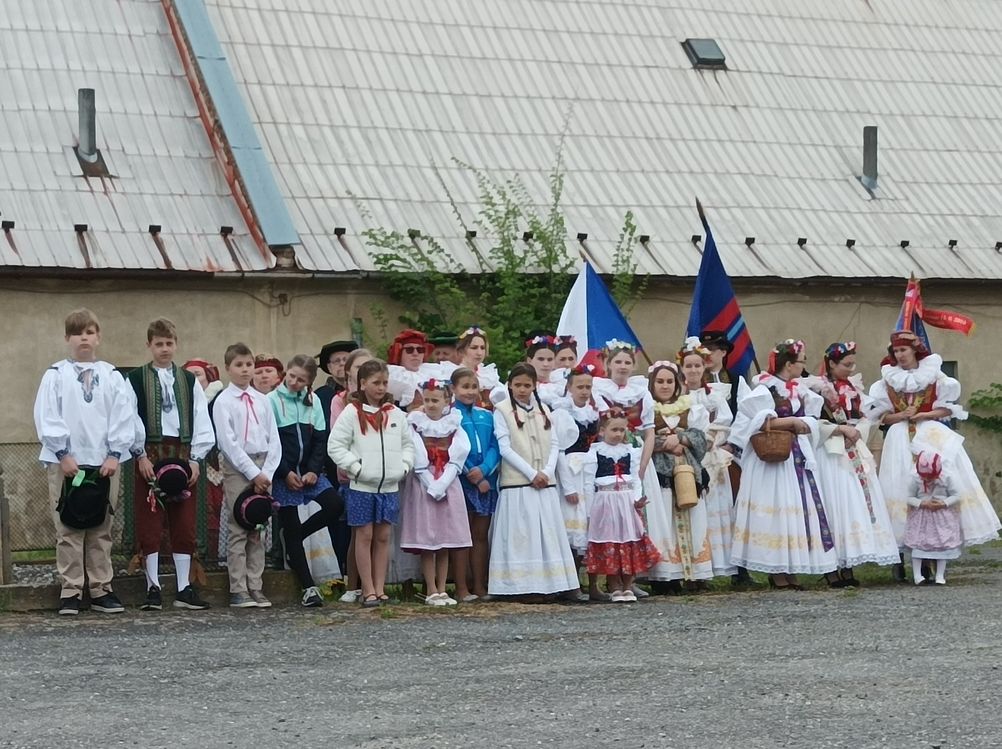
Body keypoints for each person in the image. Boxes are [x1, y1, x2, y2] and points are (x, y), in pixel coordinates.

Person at [865, 331, 1000, 575]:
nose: (900, 355)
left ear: (914, 350)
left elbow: (947, 410)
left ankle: (934, 551)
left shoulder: (935, 375)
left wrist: (924, 414)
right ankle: (900, 555)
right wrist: (901, 415)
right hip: (899, 438)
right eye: (896, 351)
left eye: (904, 350)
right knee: (899, 486)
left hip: (929, 435)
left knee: (936, 485)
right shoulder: (887, 380)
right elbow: (880, 417)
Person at [33, 308, 135, 615]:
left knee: (101, 528)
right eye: (77, 333)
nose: (84, 338)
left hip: (104, 463)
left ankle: (102, 588)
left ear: (98, 337)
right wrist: (62, 454)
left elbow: (123, 414)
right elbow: (46, 415)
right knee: (68, 528)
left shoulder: (112, 375)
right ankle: (71, 590)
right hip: (68, 463)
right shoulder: (55, 375)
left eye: (89, 332)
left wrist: (115, 454)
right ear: (68, 338)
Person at [728, 340, 837, 589]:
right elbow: (756, 422)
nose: (803, 366)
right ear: (789, 364)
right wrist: (790, 422)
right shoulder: (765, 388)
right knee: (777, 510)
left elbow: (810, 417)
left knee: (794, 510)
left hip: (796, 458)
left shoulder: (799, 390)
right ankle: (776, 571)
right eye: (801, 361)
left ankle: (790, 569)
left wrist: (803, 423)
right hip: (773, 461)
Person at [126, 318, 214, 611]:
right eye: (159, 344)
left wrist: (196, 459)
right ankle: (152, 587)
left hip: (183, 453)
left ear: (176, 345)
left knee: (184, 522)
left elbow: (201, 417)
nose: (164, 349)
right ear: (149, 345)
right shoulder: (135, 379)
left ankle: (184, 588)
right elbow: (129, 417)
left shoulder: (188, 380)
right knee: (149, 521)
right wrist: (139, 455)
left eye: (169, 343)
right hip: (150, 455)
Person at [488, 363, 585, 601]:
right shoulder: (501, 411)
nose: (522, 389)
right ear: (510, 385)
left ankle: (554, 584)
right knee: (522, 537)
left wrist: (547, 471)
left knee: (548, 535)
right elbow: (505, 448)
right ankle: (520, 586)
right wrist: (531, 474)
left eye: (527, 385)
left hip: (544, 484)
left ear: (534, 386)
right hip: (519, 484)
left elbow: (554, 444)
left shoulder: (545, 410)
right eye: (518, 385)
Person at [807, 342, 899, 587]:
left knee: (853, 502)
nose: (851, 369)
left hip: (852, 449)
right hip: (830, 453)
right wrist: (839, 430)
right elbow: (812, 422)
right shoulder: (817, 389)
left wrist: (858, 430)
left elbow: (865, 417)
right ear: (831, 363)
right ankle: (831, 567)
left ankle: (848, 564)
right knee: (834, 503)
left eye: (852, 364)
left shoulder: (853, 388)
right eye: (846, 365)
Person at [328, 359, 415, 607]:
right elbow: (335, 445)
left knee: (383, 536)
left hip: (389, 486)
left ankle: (380, 586)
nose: (381, 387)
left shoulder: (395, 414)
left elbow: (408, 445)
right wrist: (356, 468)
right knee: (364, 535)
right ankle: (367, 589)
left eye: (385, 382)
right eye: (376, 382)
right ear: (363, 383)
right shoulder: (351, 413)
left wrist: (403, 467)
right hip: (362, 486)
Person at [268, 355, 346, 607]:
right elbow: (270, 442)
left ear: (309, 382)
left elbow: (321, 439)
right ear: (286, 373)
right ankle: (308, 587)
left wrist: (313, 470)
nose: (294, 382)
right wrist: (284, 472)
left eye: (301, 380)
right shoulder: (271, 401)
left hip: (309, 472)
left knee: (335, 505)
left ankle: (295, 537)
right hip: (285, 474)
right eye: (291, 376)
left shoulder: (314, 402)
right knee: (290, 524)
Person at [591, 340, 664, 597]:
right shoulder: (598, 389)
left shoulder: (641, 391)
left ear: (634, 366)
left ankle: (630, 580)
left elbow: (649, 432)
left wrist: (642, 465)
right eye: (618, 361)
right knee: (613, 523)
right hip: (608, 460)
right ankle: (612, 580)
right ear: (608, 364)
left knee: (635, 520)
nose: (622, 366)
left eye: (627, 362)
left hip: (636, 456)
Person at [212, 343, 282, 608]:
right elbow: (228, 443)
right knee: (239, 527)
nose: (245, 370)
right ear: (228, 368)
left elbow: (273, 438)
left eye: (248, 365)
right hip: (238, 468)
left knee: (258, 528)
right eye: (239, 365)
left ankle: (256, 584)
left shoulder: (262, 400)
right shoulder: (224, 401)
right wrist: (253, 473)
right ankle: (238, 588)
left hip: (263, 466)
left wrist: (267, 472)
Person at [400, 379, 472, 606]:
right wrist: (430, 482)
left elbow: (459, 453)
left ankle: (442, 588)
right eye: (427, 400)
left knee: (445, 539)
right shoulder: (415, 423)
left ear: (446, 401)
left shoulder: (454, 423)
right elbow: (416, 453)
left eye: (435, 400)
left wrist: (443, 482)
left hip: (447, 482)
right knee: (428, 539)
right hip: (423, 483)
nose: (431, 404)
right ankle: (431, 588)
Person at [582, 409, 663, 602]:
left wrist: (637, 500)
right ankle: (614, 586)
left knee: (629, 542)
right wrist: (589, 512)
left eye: (622, 430)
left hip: (626, 502)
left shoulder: (630, 452)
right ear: (602, 431)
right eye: (614, 430)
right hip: (605, 501)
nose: (618, 434)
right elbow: (588, 483)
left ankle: (628, 586)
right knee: (610, 542)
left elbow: (635, 479)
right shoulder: (594, 453)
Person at [648, 361, 713, 592]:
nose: (665, 386)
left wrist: (682, 439)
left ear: (677, 384)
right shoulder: (646, 409)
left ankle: (693, 574)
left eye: (669, 381)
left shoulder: (690, 407)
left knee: (692, 517)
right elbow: (638, 439)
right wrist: (664, 442)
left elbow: (702, 438)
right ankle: (665, 577)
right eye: (660, 381)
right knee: (663, 520)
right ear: (652, 384)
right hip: (659, 474)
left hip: (687, 471)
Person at [678, 337, 737, 581]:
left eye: (697, 365)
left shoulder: (713, 394)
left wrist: (712, 437)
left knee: (715, 507)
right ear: (682, 369)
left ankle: (719, 564)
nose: (693, 370)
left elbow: (725, 420)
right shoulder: (677, 395)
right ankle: (694, 568)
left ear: (704, 367)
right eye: (688, 366)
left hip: (711, 455)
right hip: (686, 455)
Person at [552, 364, 607, 600]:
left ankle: (591, 584)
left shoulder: (594, 413)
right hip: (570, 472)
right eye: (580, 387)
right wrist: (568, 487)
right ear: (569, 387)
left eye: (588, 387)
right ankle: (569, 585)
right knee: (571, 530)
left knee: (589, 527)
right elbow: (558, 451)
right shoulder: (562, 413)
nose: (584, 391)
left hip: (590, 472)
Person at [450, 367, 500, 602]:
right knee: (463, 535)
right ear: (453, 389)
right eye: (464, 387)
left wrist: (486, 470)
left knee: (480, 534)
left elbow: (495, 446)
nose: (470, 392)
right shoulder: (450, 416)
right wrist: (472, 473)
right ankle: (462, 587)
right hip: (463, 480)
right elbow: (452, 447)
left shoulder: (487, 416)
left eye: (473, 387)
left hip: (486, 481)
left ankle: (480, 585)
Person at [328, 347, 374, 602]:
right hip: (353, 473)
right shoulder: (340, 401)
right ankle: (353, 585)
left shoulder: (379, 399)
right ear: (349, 372)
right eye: (358, 367)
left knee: (376, 533)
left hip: (378, 474)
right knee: (358, 532)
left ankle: (373, 585)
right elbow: (340, 437)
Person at [183, 358, 226, 562]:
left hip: (217, 461)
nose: (194, 379)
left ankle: (215, 555)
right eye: (189, 375)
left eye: (198, 374)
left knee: (216, 506)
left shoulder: (220, 399)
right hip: (190, 461)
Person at [904, 451, 962, 585]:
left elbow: (957, 495)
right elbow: (908, 496)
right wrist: (921, 503)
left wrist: (944, 502)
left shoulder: (947, 477)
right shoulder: (914, 478)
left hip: (942, 517)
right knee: (918, 544)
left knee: (942, 544)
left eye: (931, 477)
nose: (927, 480)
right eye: (924, 477)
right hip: (921, 517)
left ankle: (940, 575)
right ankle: (917, 576)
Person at [386, 328, 436, 410]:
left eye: (420, 350)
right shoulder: (391, 375)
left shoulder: (434, 373)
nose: (415, 353)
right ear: (399, 353)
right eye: (409, 350)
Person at [314, 340, 358, 428]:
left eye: (346, 360)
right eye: (337, 361)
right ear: (329, 367)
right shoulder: (320, 395)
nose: (342, 363)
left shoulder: (361, 391)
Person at [456, 326, 500, 409]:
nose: (479, 353)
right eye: (474, 348)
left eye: (482, 348)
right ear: (461, 351)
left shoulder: (488, 375)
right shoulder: (454, 374)